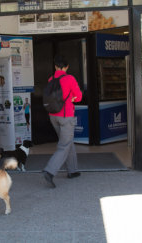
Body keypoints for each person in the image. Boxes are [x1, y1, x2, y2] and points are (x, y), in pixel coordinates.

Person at [42, 55, 83, 188]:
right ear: (67, 67)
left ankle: (73, 171)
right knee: (64, 145)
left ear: (55, 67)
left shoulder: (51, 79)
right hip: (66, 116)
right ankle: (50, 171)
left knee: (67, 142)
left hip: (53, 116)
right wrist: (72, 98)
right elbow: (79, 97)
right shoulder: (70, 78)